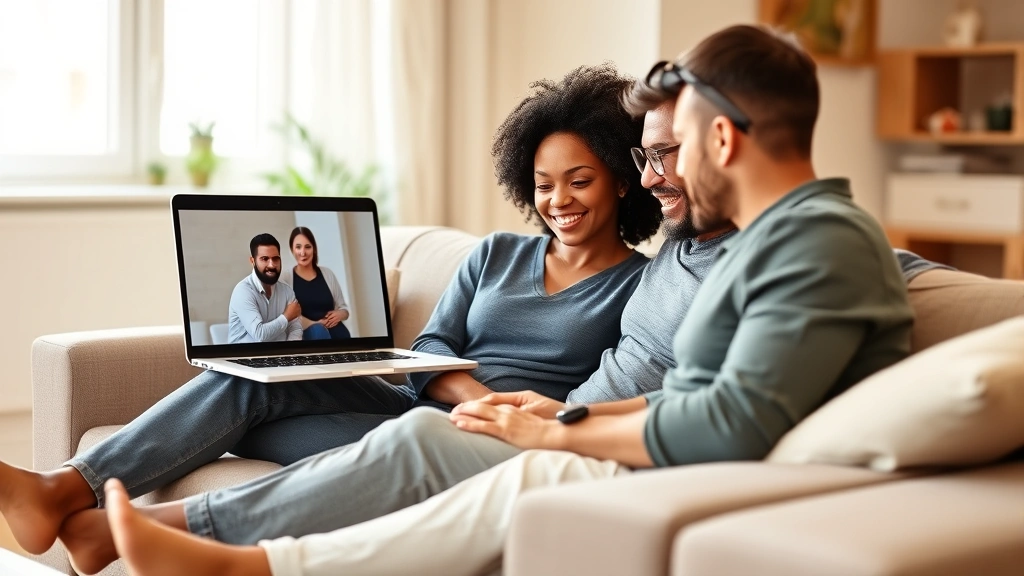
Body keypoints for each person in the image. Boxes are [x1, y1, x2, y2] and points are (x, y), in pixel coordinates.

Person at [89, 24, 926, 575]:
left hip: (603, 446)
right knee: (273, 379)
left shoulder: (817, 241)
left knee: (423, 438)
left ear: (720, 136)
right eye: (641, 157)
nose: (657, 174)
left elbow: (733, 413)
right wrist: (554, 415)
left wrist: (553, 421)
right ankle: (147, 518)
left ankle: (222, 550)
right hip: (565, 425)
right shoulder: (738, 239)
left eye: (670, 150)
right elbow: (697, 383)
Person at [0, 63, 663, 574]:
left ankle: (127, 530)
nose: (558, 200)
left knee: (401, 445)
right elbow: (432, 346)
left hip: (500, 446)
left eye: (578, 180)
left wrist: (508, 415)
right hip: (419, 409)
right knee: (255, 375)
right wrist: (474, 395)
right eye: (544, 184)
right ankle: (63, 490)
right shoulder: (497, 254)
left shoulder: (638, 286)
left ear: (621, 180)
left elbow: (596, 401)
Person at [227, 233, 303, 343]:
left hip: (279, 356)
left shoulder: (287, 290)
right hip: (246, 356)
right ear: (252, 261)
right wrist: (286, 316)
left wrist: (289, 353)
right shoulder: (243, 291)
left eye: (276, 259)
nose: (272, 265)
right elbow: (259, 335)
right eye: (264, 259)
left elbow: (296, 328)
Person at [279, 227, 352, 340]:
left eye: (307, 247)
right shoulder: (286, 278)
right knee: (318, 331)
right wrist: (316, 324)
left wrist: (340, 314)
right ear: (292, 250)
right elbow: (289, 315)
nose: (303, 252)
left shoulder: (327, 274)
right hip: (311, 335)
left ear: (314, 249)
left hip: (338, 334)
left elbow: (344, 309)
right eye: (298, 247)